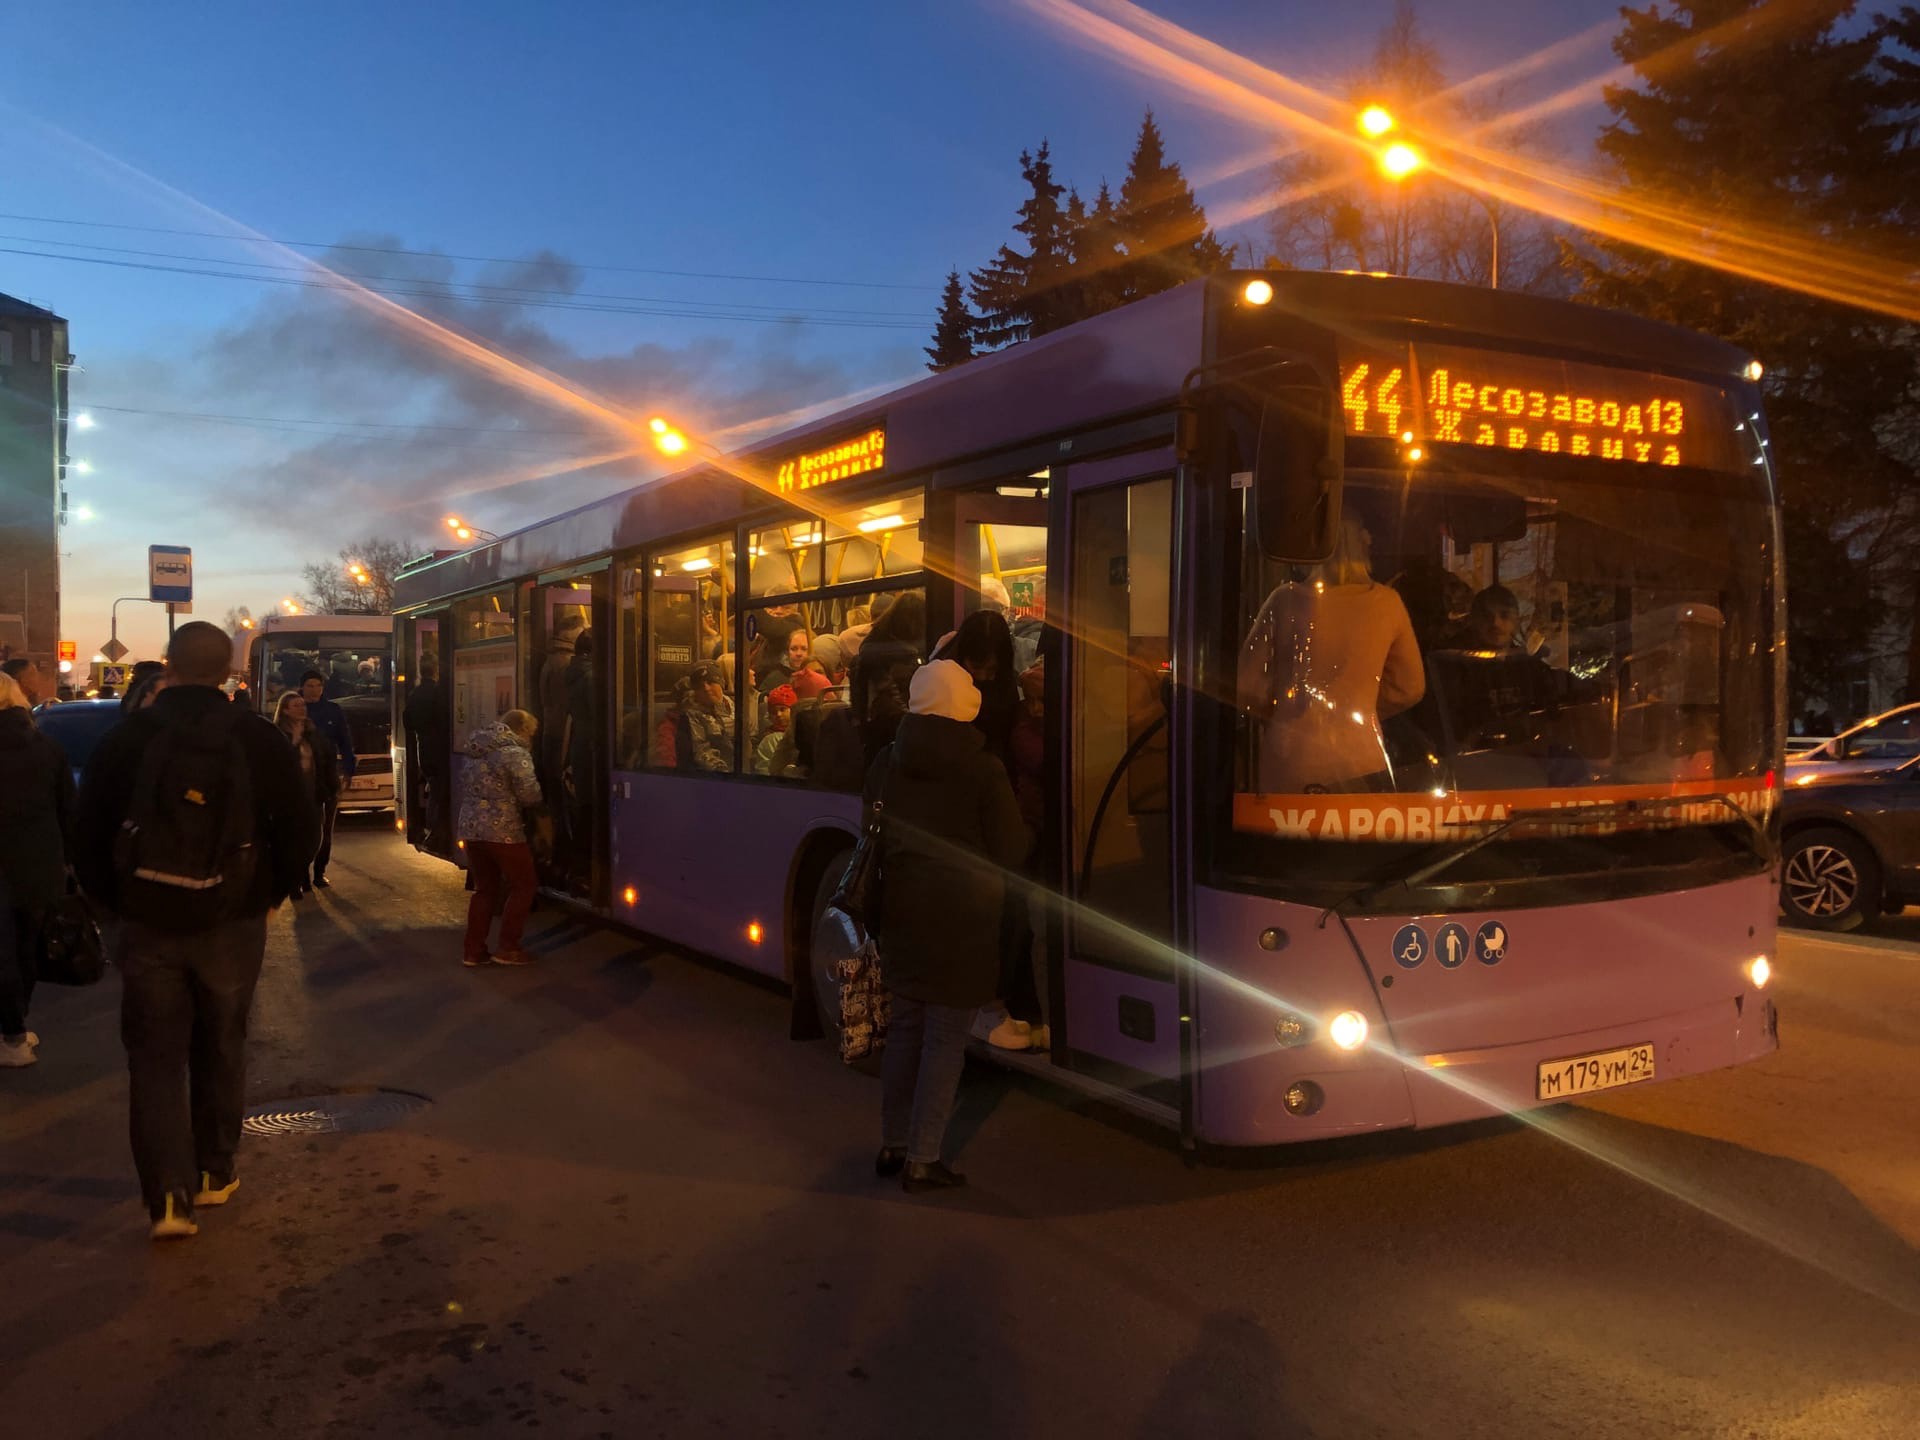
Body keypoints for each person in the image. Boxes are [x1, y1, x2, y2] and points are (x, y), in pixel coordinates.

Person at [72, 622, 317, 1240]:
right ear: (230, 669)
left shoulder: (126, 738)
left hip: (147, 920)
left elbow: (88, 833)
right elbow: (298, 823)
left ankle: (168, 1198)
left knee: (154, 1059)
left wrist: (114, 904)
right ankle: (215, 1172)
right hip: (232, 919)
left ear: (169, 667)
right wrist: (270, 895)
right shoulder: (258, 739)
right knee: (223, 1041)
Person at [866, 659, 1030, 1193]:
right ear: (965, 704)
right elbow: (1009, 849)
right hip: (965, 920)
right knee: (945, 1039)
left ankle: (892, 1145)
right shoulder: (983, 767)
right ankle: (925, 1157)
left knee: (905, 1032)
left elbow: (874, 830)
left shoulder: (888, 760)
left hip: (904, 913)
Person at [1237, 515, 1425, 793]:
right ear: (1361, 544)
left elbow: (1245, 686)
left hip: (1290, 758)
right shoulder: (1387, 603)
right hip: (1361, 759)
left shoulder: (1284, 600)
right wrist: (1361, 708)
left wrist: (1285, 712)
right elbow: (1410, 688)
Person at [0, 671, 73, 1067]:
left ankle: (11, 1034)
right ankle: (13, 1031)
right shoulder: (47, 748)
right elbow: (67, 810)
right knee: (23, 948)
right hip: (36, 863)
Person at [457, 709, 546, 968]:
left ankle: (473, 951)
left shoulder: (475, 749)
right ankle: (508, 947)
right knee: (524, 884)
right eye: (531, 733)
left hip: (472, 829)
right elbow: (529, 795)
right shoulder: (515, 753)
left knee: (485, 889)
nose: (531, 739)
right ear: (520, 729)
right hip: (503, 831)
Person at [273, 692, 340, 896]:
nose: (302, 708)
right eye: (296, 705)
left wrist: (333, 786)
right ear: (285, 710)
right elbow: (278, 763)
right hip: (292, 796)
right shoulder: (278, 733)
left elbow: (326, 759)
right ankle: (298, 881)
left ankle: (310, 875)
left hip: (314, 793)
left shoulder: (312, 732)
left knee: (314, 838)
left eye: (303, 705)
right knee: (296, 840)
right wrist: (293, 742)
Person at [850, 591, 925, 768]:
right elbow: (893, 700)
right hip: (894, 735)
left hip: (873, 737)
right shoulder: (905, 656)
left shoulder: (870, 650)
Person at [933, 610, 1018, 763]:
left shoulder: (1006, 682)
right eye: (976, 667)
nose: (982, 676)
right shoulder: (940, 681)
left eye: (992, 670)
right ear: (962, 655)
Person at [297, 670, 356, 887]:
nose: (314, 690)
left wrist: (349, 769)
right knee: (305, 828)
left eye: (317, 685)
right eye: (309, 685)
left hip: (328, 776)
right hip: (302, 779)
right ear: (302, 687)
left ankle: (319, 872)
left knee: (326, 828)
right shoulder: (296, 709)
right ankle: (302, 874)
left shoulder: (333, 711)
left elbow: (345, 741)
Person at [403, 650, 451, 846]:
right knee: (440, 792)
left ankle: (432, 828)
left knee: (434, 790)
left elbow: (408, 722)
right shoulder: (440, 693)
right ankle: (436, 832)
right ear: (437, 671)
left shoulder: (415, 693)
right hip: (439, 749)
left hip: (423, 748)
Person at [680, 661, 737, 772]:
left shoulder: (738, 704)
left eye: (711, 682)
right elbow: (702, 752)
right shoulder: (692, 714)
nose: (706, 688)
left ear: (721, 682)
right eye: (700, 686)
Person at [753, 683, 799, 775]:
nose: (778, 715)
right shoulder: (770, 740)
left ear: (794, 710)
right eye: (773, 712)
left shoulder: (800, 733)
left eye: (783, 709)